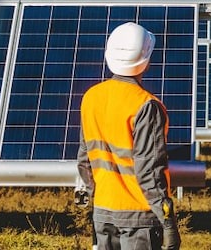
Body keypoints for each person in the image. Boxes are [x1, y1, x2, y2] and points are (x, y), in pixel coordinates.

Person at [78, 22, 180, 250]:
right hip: (139, 218)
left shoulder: (91, 97)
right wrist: (168, 222)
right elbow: (150, 172)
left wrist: (96, 199)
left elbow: (85, 161)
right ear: (146, 60)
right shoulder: (146, 105)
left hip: (103, 212)